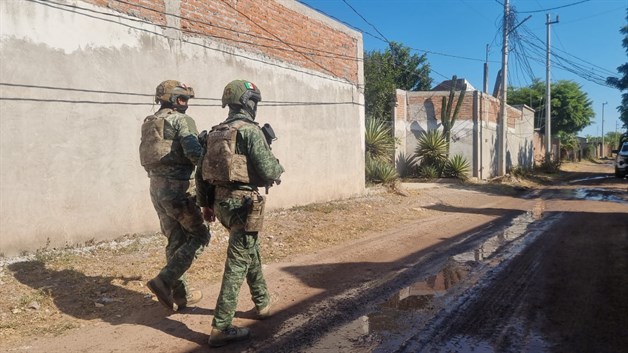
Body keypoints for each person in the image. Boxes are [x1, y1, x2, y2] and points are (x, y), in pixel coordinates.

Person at [196, 79, 284, 347]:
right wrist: (278, 168)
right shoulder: (250, 132)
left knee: (249, 251)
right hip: (244, 204)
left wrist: (206, 205)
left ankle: (262, 303)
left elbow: (201, 174)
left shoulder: (214, 133)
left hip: (221, 204)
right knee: (237, 263)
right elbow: (268, 170)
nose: (255, 106)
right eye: (254, 101)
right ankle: (221, 326)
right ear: (247, 103)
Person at [139, 80, 211, 311]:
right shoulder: (181, 120)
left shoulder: (150, 122)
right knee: (200, 236)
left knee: (175, 239)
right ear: (171, 99)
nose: (186, 104)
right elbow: (194, 154)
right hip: (179, 188)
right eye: (182, 99)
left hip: (156, 188)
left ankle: (181, 295)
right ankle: (164, 280)